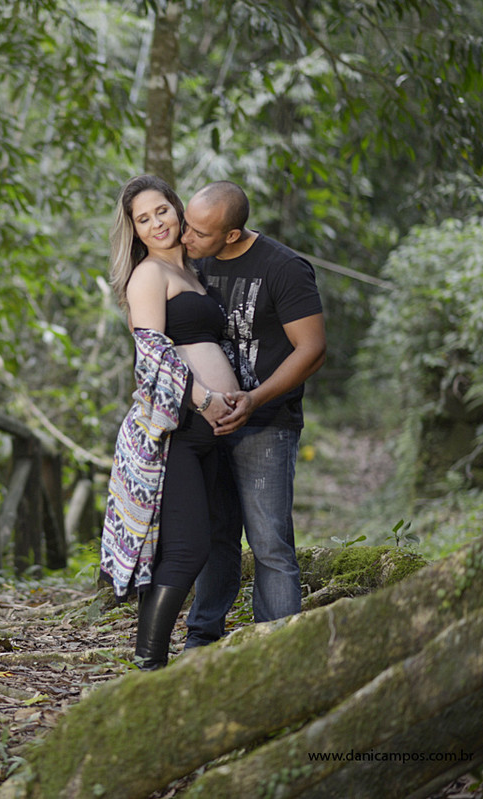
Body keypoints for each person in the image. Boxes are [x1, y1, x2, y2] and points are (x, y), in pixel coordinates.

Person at [98, 175, 239, 670]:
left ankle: (182, 652)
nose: (156, 223)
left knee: (210, 542)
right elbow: (152, 350)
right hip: (173, 432)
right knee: (186, 549)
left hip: (211, 435)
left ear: (178, 211)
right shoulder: (149, 276)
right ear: (134, 231)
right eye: (143, 219)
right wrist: (204, 398)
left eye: (162, 211)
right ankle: (148, 667)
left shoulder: (199, 273)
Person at [179, 181, 327, 647]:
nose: (186, 238)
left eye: (199, 233)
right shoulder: (188, 262)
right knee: (214, 537)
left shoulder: (282, 268)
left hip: (265, 424)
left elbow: (313, 349)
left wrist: (255, 399)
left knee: (269, 543)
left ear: (233, 234)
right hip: (204, 423)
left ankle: (279, 648)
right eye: (185, 224)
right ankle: (203, 641)